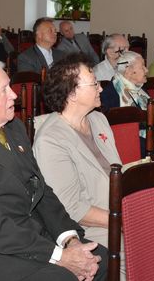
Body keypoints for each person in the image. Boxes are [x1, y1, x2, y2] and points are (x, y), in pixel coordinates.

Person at [0, 55, 106, 281]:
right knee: (61, 278)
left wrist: (70, 239)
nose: (14, 94)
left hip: (25, 233)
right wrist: (60, 256)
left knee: (100, 259)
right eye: (4, 89)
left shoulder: (13, 128)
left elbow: (41, 190)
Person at [33, 53, 124, 279]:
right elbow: (72, 208)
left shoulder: (98, 120)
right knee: (153, 246)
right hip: (93, 229)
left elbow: (115, 171)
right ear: (72, 93)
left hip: (119, 211)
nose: (101, 89)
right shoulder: (51, 140)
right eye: (94, 84)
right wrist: (122, 220)